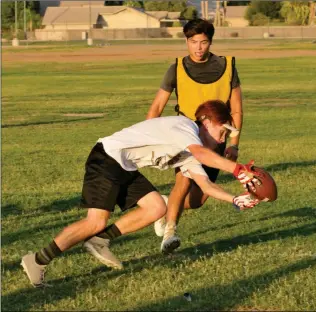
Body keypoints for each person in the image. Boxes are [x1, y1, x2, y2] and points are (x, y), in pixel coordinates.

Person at [21, 100, 260, 288]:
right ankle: (38, 260)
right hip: (107, 158)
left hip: (123, 165)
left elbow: (206, 185)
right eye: (222, 130)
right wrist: (238, 169)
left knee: (157, 207)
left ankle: (99, 240)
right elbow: (204, 154)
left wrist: (236, 199)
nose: (223, 138)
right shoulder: (185, 128)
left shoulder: (191, 149)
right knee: (95, 221)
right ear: (206, 121)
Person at [146, 18, 244, 253]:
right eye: (193, 42)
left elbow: (237, 108)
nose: (198, 48)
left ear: (210, 42)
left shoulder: (227, 65)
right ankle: (170, 232)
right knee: (184, 178)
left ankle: (166, 206)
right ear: (186, 41)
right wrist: (152, 138)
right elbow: (157, 106)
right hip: (186, 137)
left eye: (203, 42)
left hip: (216, 140)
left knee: (198, 200)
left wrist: (234, 143)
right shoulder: (176, 68)